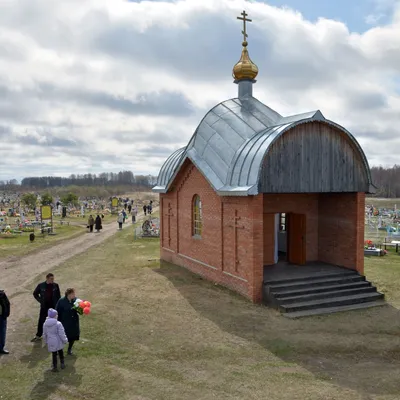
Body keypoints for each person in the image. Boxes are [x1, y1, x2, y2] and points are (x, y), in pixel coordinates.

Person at [31, 273, 61, 342]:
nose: (52, 280)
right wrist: (40, 300)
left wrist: (58, 305)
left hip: (53, 306)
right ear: (47, 278)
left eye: (53, 279)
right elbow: (35, 293)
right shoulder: (41, 285)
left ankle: (53, 335)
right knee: (41, 320)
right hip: (44, 306)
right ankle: (38, 335)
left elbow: (58, 295)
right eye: (51, 279)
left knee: (54, 321)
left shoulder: (55, 286)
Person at [56, 288, 80, 356]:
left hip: (73, 322)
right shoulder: (61, 301)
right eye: (73, 294)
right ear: (68, 294)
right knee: (62, 337)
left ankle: (69, 349)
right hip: (64, 322)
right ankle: (59, 350)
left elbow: (79, 311)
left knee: (73, 336)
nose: (74, 295)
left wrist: (81, 308)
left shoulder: (76, 300)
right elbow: (57, 311)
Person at [0, 289, 10, 354]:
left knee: (2, 333)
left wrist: (6, 314)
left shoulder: (2, 294)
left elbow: (7, 303)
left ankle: (1, 348)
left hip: (1, 317)